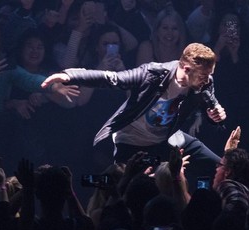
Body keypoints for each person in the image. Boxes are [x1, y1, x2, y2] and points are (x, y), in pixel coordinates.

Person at [41, 42, 226, 168]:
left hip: (166, 137)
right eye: (202, 76)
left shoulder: (205, 82)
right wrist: (70, 75)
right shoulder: (153, 74)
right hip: (132, 140)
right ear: (186, 69)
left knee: (221, 166)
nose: (207, 80)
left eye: (209, 76)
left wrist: (215, 115)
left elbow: (210, 101)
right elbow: (112, 79)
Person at [212, 148, 249, 230]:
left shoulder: (228, 184)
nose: (216, 169)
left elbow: (237, 201)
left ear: (228, 171)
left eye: (219, 165)